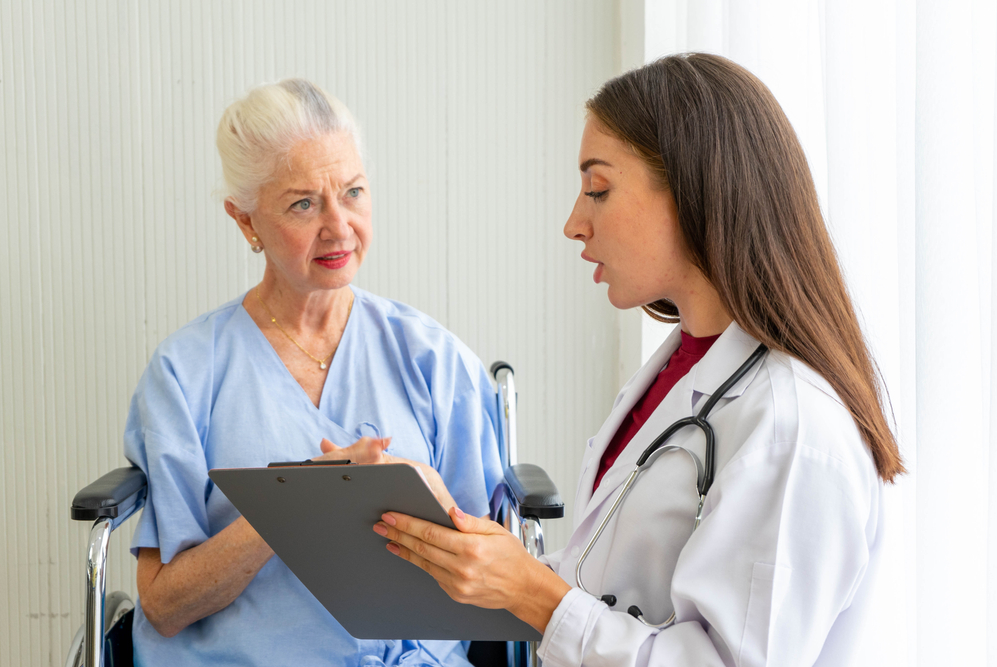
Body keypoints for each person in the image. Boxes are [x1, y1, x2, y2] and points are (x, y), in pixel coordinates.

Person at [373, 53, 905, 666]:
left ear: (695, 189)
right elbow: (613, 586)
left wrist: (535, 592)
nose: (574, 223)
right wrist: (480, 559)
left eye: (598, 188)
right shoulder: (681, 369)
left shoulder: (791, 424)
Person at [123, 78, 503, 667]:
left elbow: (498, 581)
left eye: (352, 192)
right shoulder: (186, 373)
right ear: (245, 220)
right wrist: (299, 505)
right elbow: (166, 608)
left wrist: (428, 501)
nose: (339, 226)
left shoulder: (433, 358)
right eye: (303, 203)